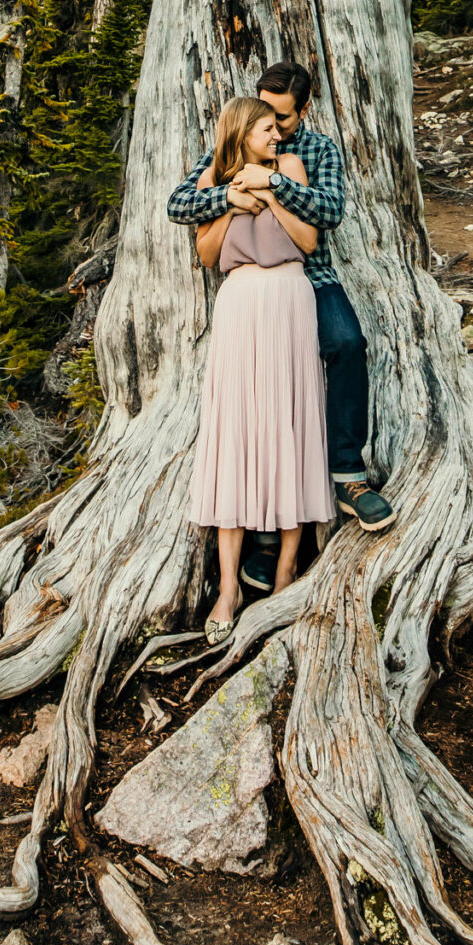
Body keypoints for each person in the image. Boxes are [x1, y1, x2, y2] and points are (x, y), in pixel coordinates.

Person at [168, 60, 395, 599]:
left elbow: (329, 210)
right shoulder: (231, 147)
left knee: (345, 342)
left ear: (304, 110)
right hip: (250, 290)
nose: (273, 123)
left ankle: (347, 475)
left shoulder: (314, 152)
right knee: (259, 404)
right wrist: (229, 196)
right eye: (265, 113)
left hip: (308, 277)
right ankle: (265, 540)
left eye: (283, 118)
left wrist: (271, 182)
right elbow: (181, 202)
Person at [187, 94, 333, 640]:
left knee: (291, 426)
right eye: (268, 129)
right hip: (240, 304)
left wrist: (270, 194)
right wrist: (231, 201)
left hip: (291, 298)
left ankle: (285, 574)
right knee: (236, 435)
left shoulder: (291, 169)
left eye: (279, 128)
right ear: (243, 131)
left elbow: (309, 239)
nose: (278, 136)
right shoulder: (212, 178)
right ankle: (228, 587)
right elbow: (206, 255)